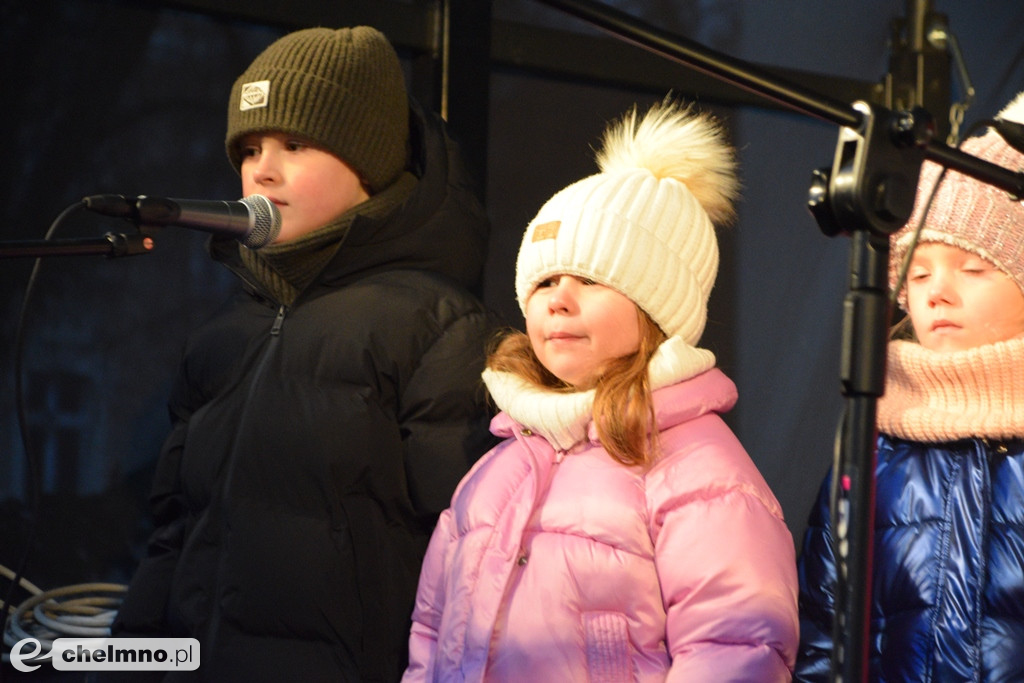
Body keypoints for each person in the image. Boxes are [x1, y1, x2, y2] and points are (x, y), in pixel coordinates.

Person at [111, 26, 499, 681]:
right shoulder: (224, 336)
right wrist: (122, 661)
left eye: (295, 144)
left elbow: (469, 556)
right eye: (250, 147)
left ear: (369, 166)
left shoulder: (437, 327)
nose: (263, 168)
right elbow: (173, 533)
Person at [402, 98, 800, 681]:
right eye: (543, 282)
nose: (558, 298)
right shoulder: (496, 471)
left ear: (656, 308)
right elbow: (430, 637)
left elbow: (738, 648)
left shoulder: (699, 472)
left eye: (590, 279)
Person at [794, 91, 1024, 681]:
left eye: (974, 268)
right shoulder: (874, 450)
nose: (935, 292)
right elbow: (823, 630)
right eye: (917, 272)